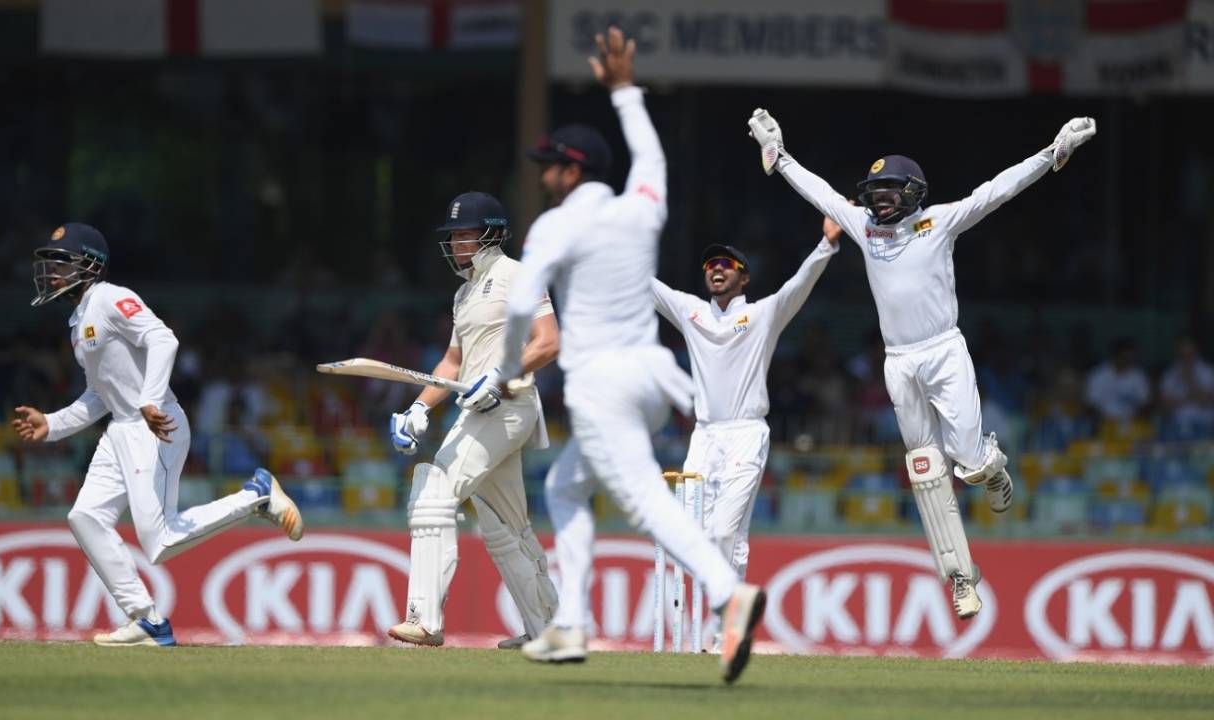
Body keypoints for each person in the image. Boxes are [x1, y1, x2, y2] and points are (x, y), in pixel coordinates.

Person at [464, 27, 764, 684]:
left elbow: (519, 311)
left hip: (601, 382)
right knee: (564, 486)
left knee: (645, 504)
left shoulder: (557, 225)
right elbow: (652, 159)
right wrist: (625, 92)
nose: (542, 174)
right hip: (654, 378)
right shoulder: (641, 209)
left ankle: (727, 591)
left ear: (571, 170)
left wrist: (505, 370)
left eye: (549, 165)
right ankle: (568, 624)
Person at [747, 107, 1096, 618]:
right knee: (927, 471)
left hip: (943, 351)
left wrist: (1054, 152)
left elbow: (998, 190)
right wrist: (777, 156)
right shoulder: (863, 227)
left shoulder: (939, 222)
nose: (879, 200)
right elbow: (819, 191)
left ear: (912, 192)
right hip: (898, 361)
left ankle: (992, 469)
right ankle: (960, 577)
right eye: (875, 192)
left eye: (889, 191)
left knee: (970, 466)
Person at [12, 223, 302, 647]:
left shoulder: (111, 298)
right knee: (85, 518)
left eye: (62, 261)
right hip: (121, 431)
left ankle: (255, 495)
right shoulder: (79, 323)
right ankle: (146, 619)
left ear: (90, 265)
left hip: (156, 425)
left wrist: (150, 400)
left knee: (159, 542)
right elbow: (99, 395)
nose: (52, 270)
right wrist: (52, 424)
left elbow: (163, 339)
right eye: (50, 262)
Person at [386, 192, 561, 649]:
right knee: (505, 526)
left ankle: (424, 619)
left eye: (464, 234)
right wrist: (419, 408)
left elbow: (548, 342)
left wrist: (502, 374)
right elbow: (452, 361)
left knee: (434, 487)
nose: (457, 243)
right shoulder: (463, 293)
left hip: (509, 407)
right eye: (453, 236)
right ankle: (550, 631)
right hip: (477, 411)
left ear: (491, 233)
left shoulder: (518, 275)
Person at [650, 218, 841, 629]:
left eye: (727, 264)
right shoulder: (691, 312)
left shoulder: (761, 315)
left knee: (724, 533)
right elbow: (647, 285)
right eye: (710, 265)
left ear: (744, 276)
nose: (716, 269)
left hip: (745, 434)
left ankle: (725, 630)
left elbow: (797, 287)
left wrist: (826, 245)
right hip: (703, 436)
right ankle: (711, 626)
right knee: (693, 537)